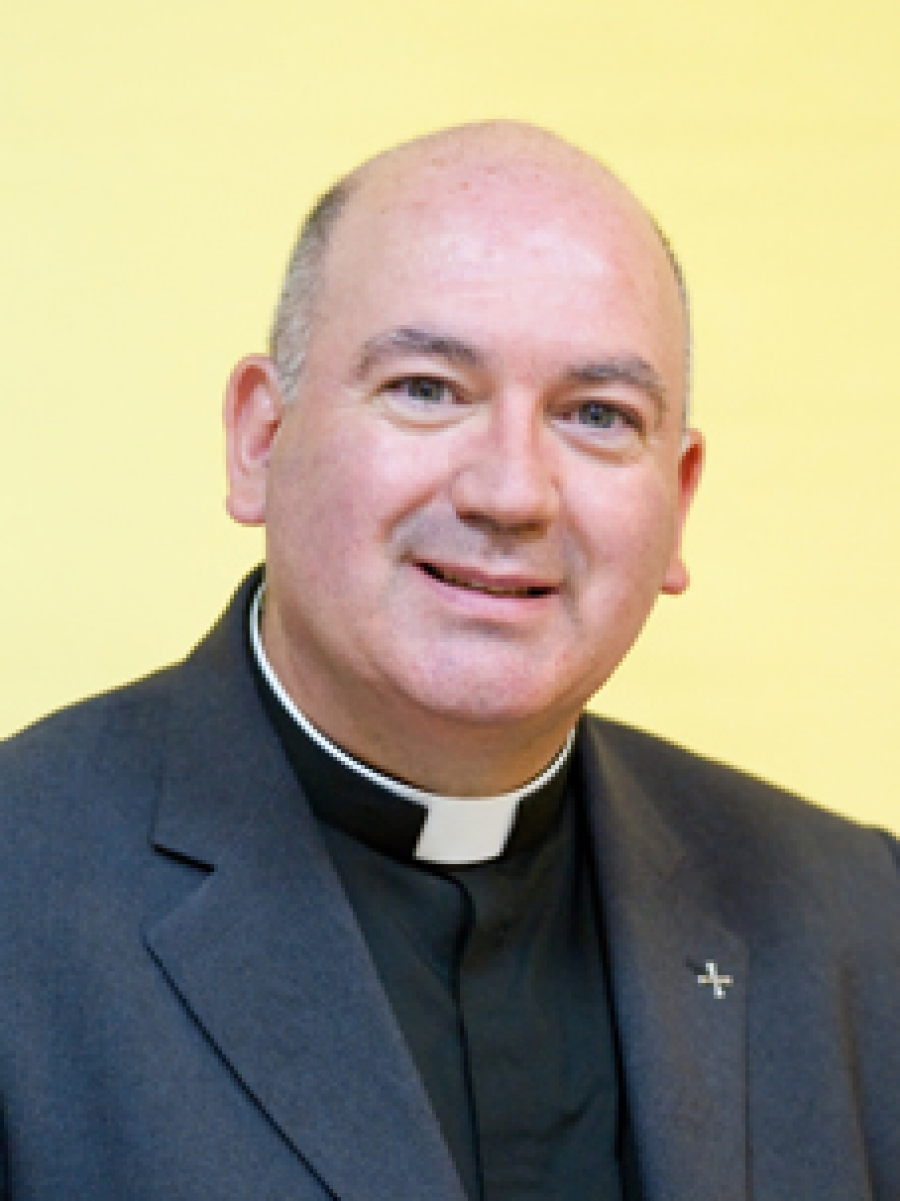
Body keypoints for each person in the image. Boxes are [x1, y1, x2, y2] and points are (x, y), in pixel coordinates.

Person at [1, 121, 897, 1201]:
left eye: (599, 415)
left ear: (680, 497)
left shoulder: (859, 920)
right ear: (258, 438)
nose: (510, 492)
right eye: (427, 388)